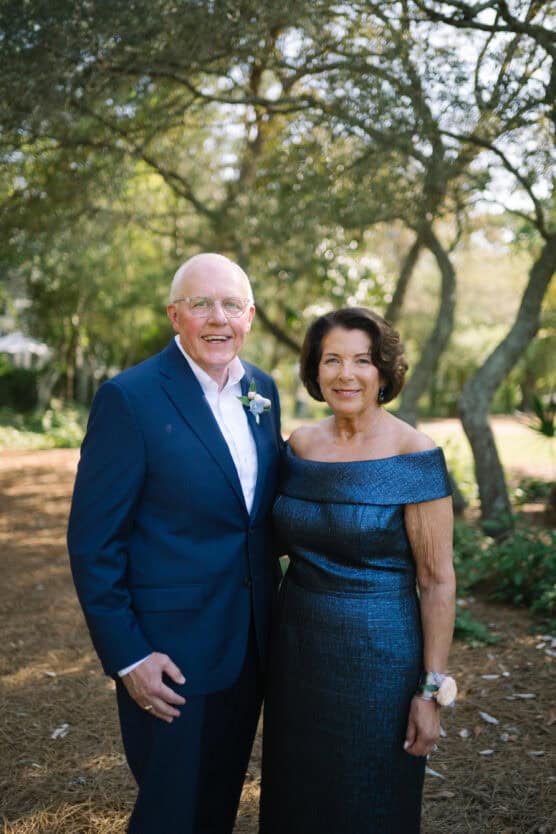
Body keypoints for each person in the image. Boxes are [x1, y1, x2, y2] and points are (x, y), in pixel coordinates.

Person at [67, 253, 282, 834]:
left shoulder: (262, 390)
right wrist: (129, 657)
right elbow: (94, 544)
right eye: (201, 303)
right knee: (168, 814)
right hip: (170, 660)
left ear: (250, 315)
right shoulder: (130, 398)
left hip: (250, 648)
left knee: (216, 810)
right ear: (174, 316)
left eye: (231, 305)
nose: (219, 318)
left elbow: (255, 517)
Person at [260, 307, 456, 834]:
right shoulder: (300, 446)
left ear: (384, 372)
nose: (347, 374)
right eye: (333, 360)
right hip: (297, 652)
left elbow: (437, 581)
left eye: (362, 361)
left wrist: (430, 691)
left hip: (381, 660)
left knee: (371, 799)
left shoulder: (416, 455)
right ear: (315, 371)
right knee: (296, 795)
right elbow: (266, 539)